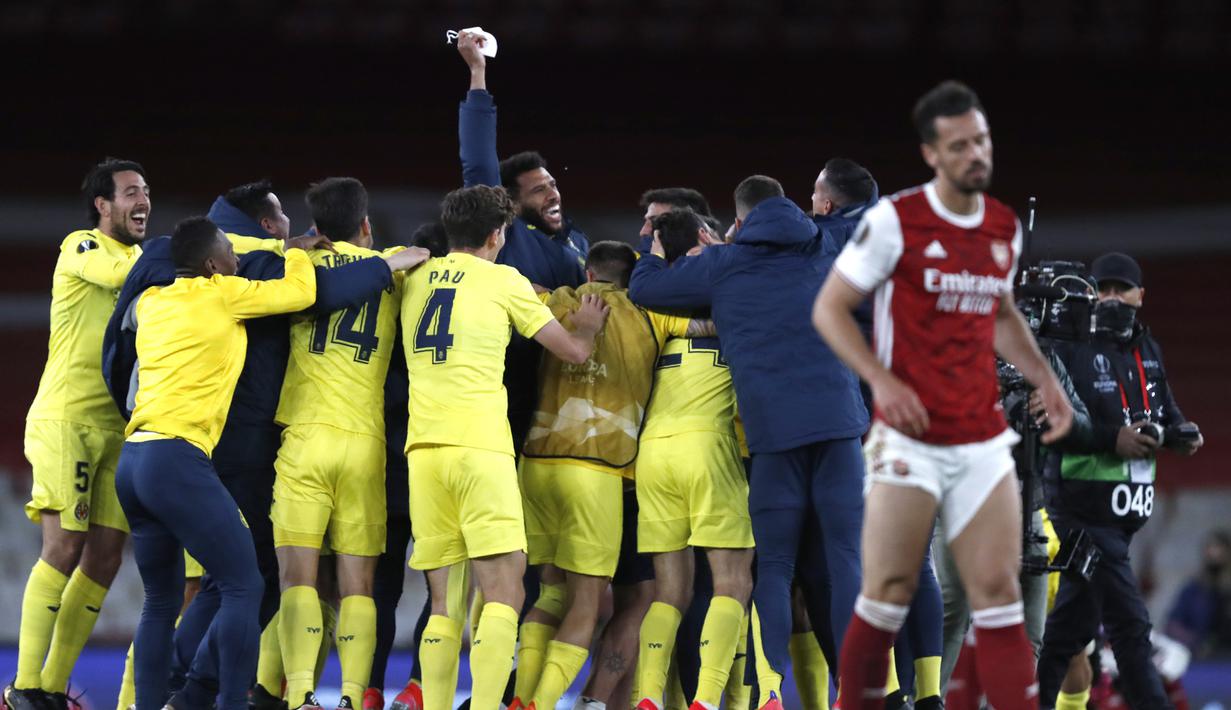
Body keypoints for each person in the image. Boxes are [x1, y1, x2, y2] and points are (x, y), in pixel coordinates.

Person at [813, 79, 1073, 710]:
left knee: (1000, 593)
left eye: (980, 141)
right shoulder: (893, 221)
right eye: (959, 145)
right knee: (887, 590)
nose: (974, 154)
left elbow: (1003, 314)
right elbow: (829, 309)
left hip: (982, 438)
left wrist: (1044, 379)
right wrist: (881, 380)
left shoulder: (1003, 227)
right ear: (932, 154)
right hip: (909, 440)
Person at [629, 175, 869, 710]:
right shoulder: (828, 241)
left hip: (771, 432)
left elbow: (643, 289)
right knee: (845, 558)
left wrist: (657, 250)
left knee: (776, 567)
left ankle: (771, 694)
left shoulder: (726, 263)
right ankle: (856, 690)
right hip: (838, 423)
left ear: (738, 220)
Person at [402, 185, 608, 710]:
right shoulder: (504, 279)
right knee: (504, 592)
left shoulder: (412, 278)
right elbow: (572, 353)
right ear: (498, 235)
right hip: (480, 447)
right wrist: (585, 327)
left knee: (444, 601)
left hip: (423, 452)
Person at [113, 216, 322, 710]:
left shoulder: (153, 301)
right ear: (212, 265)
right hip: (176, 460)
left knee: (160, 601)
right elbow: (301, 291)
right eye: (229, 250)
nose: (237, 257)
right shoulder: (224, 293)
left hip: (135, 458)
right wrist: (294, 249)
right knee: (245, 583)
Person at [511, 240, 710, 710]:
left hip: (536, 466)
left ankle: (516, 699)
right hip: (597, 473)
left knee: (549, 592)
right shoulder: (651, 315)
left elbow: (515, 292)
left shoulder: (557, 300)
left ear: (588, 270)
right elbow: (713, 325)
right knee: (585, 605)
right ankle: (538, 705)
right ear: (632, 275)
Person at [271, 177, 430, 710]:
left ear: (317, 227)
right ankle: (353, 698)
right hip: (365, 444)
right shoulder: (394, 269)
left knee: (299, 578)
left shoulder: (299, 269)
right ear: (365, 225)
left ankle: (299, 697)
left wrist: (294, 248)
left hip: (304, 439)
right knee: (358, 583)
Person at [7, 158, 150, 710]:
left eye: (147, 191)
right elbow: (122, 279)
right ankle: (24, 684)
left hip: (118, 426)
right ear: (103, 205)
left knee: (107, 558)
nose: (143, 201)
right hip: (67, 420)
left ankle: (50, 686)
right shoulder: (82, 247)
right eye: (131, 192)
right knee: (64, 546)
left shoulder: (142, 258)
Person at [1038, 251, 1203, 709]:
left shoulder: (1148, 349)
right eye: (1103, 288)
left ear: (1139, 296)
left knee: (1066, 636)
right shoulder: (1071, 347)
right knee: (1131, 629)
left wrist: (1180, 435)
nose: (1111, 297)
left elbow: (1165, 413)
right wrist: (1115, 440)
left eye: (1120, 289)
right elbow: (1058, 423)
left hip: (1124, 515)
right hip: (1082, 511)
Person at [629, 210, 754, 710]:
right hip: (709, 444)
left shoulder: (655, 308)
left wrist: (654, 256)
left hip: (653, 451)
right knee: (732, 580)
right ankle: (705, 700)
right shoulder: (738, 294)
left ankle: (648, 698)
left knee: (669, 592)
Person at [454, 29, 590, 457]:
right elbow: (478, 161)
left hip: (572, 393)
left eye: (553, 184)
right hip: (516, 388)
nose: (553, 194)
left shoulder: (579, 243)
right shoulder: (510, 236)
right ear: (510, 205)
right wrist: (478, 74)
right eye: (538, 191)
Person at [1167, 529, 1231, 658]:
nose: (1214, 554)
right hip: (1200, 662)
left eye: (1219, 549)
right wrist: (1195, 642)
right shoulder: (1193, 590)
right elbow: (1172, 625)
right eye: (1210, 549)